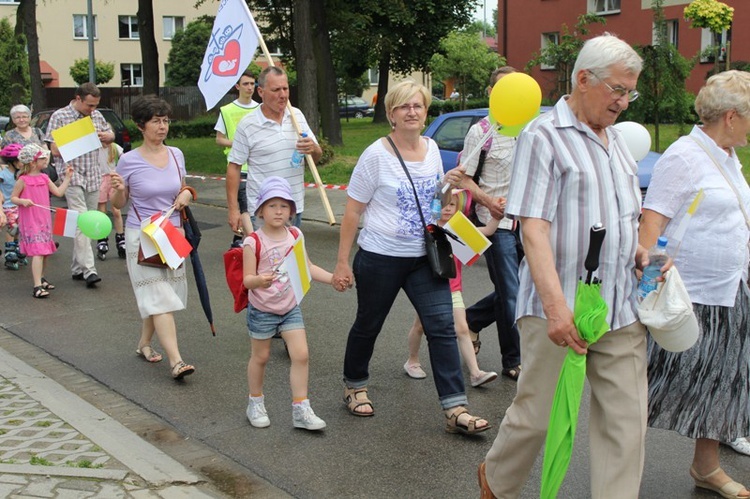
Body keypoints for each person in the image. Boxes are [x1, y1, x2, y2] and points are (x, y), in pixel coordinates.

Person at [477, 34, 649, 498]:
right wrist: (555, 307)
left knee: (627, 424)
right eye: (617, 89)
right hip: (561, 305)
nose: (624, 101)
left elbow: (621, 215)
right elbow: (532, 227)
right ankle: (497, 480)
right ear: (583, 80)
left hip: (619, 307)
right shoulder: (543, 136)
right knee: (537, 417)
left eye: (630, 92)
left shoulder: (615, 142)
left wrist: (636, 250)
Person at [332, 80, 490, 435]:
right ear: (391, 114)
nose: (412, 112)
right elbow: (353, 212)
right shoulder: (375, 155)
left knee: (442, 328)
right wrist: (343, 262)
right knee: (369, 324)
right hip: (380, 257)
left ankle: (455, 408)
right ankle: (354, 384)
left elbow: (437, 197)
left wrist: (450, 202)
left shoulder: (433, 148)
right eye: (404, 107)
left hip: (425, 256)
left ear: (425, 111)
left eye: (417, 106)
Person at [640, 70, 750, 499]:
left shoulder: (726, 155)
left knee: (725, 381)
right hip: (687, 296)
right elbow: (652, 223)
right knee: (652, 385)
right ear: (730, 116)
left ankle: (706, 468)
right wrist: (644, 292)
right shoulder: (685, 156)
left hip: (727, 290)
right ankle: (621, 468)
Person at [110, 95, 196, 381]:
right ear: (140, 126)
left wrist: (187, 194)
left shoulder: (176, 154)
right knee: (159, 298)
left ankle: (144, 344)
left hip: (171, 235)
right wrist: (120, 189)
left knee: (160, 295)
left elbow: (183, 188)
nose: (162, 127)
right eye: (156, 121)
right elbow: (119, 203)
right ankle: (177, 361)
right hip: (142, 235)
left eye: (165, 121)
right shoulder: (128, 160)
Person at [445, 66, 522, 381]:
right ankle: (513, 360)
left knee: (520, 290)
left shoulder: (527, 128)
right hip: (496, 223)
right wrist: (490, 204)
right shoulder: (482, 131)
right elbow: (462, 176)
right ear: (491, 93)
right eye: (502, 89)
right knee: (512, 291)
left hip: (527, 223)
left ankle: (473, 320)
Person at [243, 176, 336, 431]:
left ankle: (301, 408)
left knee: (301, 355)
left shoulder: (295, 234)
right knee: (260, 357)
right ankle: (255, 402)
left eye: (284, 206)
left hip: (289, 307)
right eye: (272, 206)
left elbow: (307, 267)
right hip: (262, 310)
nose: (278, 211)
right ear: (261, 210)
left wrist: (334, 279)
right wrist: (258, 280)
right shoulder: (253, 241)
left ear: (292, 212)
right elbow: (247, 279)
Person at [403, 188, 499, 388]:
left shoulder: (459, 228)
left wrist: (497, 217)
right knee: (420, 326)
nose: (448, 209)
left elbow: (487, 231)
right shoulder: (427, 227)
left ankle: (475, 373)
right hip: (428, 287)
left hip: (453, 287)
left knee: (462, 329)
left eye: (452, 205)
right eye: (444, 204)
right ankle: (412, 360)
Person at [226, 66, 322, 233]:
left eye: (285, 88)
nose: (283, 95)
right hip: (263, 209)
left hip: (293, 206)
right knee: (267, 258)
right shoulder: (248, 124)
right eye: (276, 90)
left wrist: (312, 148)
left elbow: (316, 158)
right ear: (261, 92)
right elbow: (234, 168)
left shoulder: (296, 116)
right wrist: (234, 210)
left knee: (291, 257)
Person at [46, 82, 114, 288]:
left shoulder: (96, 116)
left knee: (86, 222)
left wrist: (106, 136)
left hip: (93, 173)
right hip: (72, 175)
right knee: (83, 219)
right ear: (78, 99)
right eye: (89, 105)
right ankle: (89, 270)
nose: (92, 110)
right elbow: (54, 150)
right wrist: (80, 136)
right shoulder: (60, 116)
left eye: (95, 105)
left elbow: (110, 135)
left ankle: (77, 267)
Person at [9, 144, 73, 298]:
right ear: (33, 162)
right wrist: (23, 201)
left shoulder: (44, 177)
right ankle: (37, 286)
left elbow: (58, 192)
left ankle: (42, 278)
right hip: (30, 221)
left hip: (43, 220)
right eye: (43, 158)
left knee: (45, 252)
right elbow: (13, 197)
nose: (46, 160)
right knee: (38, 252)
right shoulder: (22, 180)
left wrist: (68, 178)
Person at [215, 69, 260, 246]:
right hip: (239, 167)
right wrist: (238, 143)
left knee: (257, 209)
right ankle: (252, 242)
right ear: (237, 86)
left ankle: (241, 240)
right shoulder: (227, 110)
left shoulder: (260, 108)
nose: (250, 88)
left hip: (259, 166)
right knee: (246, 208)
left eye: (252, 84)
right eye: (246, 84)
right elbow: (219, 139)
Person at [95, 142, 125, 260]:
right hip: (100, 178)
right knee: (102, 212)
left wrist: (120, 171)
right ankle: (102, 239)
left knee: (116, 211)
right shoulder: (95, 147)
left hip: (113, 178)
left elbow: (124, 157)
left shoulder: (114, 146)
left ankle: (120, 238)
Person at [0, 143, 26, 270]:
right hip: (7, 206)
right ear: (12, 162)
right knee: (12, 227)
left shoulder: (21, 174)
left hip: (18, 205)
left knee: (19, 228)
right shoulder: (3, 174)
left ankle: (16, 247)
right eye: (20, 160)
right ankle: (10, 251)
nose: (22, 163)